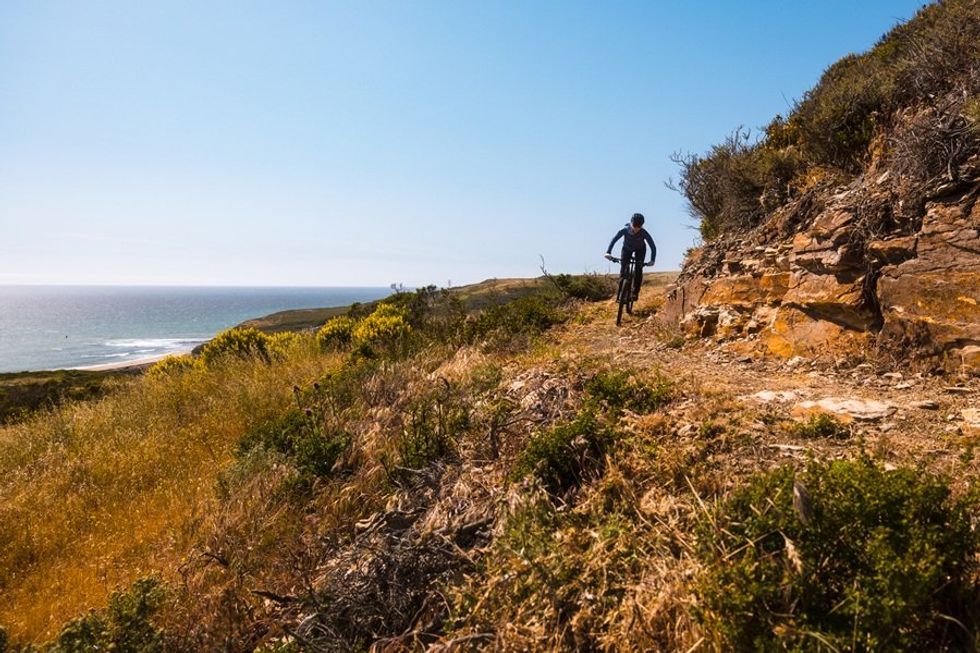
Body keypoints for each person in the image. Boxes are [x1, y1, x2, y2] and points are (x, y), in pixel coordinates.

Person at [605, 213, 656, 301]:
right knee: (623, 269)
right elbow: (614, 240)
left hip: (640, 250)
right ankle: (622, 293)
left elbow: (653, 246)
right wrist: (608, 252)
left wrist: (652, 260)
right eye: (634, 226)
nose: (636, 229)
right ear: (631, 223)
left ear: (642, 225)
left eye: (638, 227)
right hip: (627, 249)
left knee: (638, 269)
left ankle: (635, 293)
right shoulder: (624, 230)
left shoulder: (644, 233)